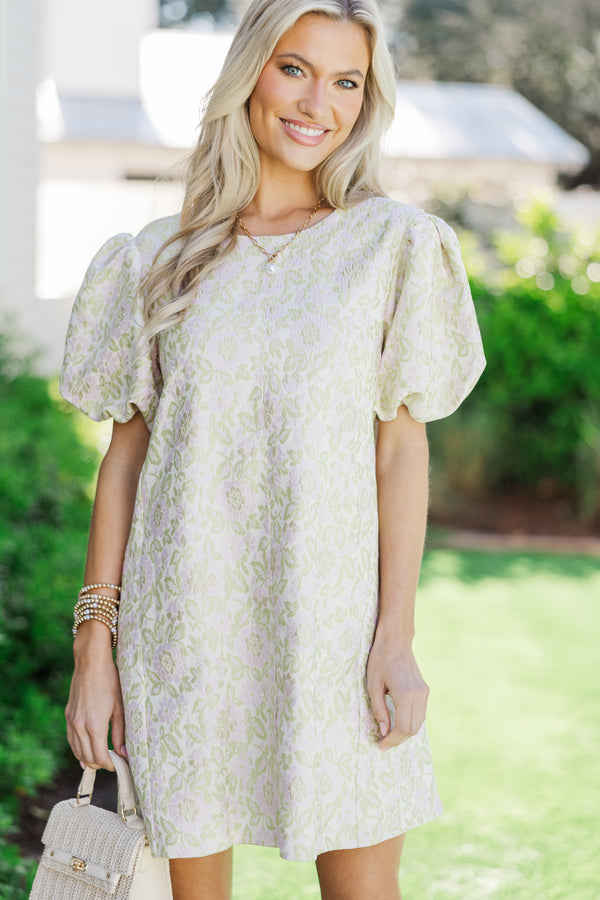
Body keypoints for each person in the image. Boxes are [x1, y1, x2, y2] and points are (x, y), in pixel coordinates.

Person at [59, 0, 485, 898]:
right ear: (250, 73)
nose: (317, 103)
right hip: (182, 630)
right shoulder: (156, 257)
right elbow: (126, 459)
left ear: (366, 101)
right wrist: (95, 648)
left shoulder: (393, 246)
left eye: (346, 82)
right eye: (295, 68)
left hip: (333, 631)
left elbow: (400, 453)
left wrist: (395, 639)